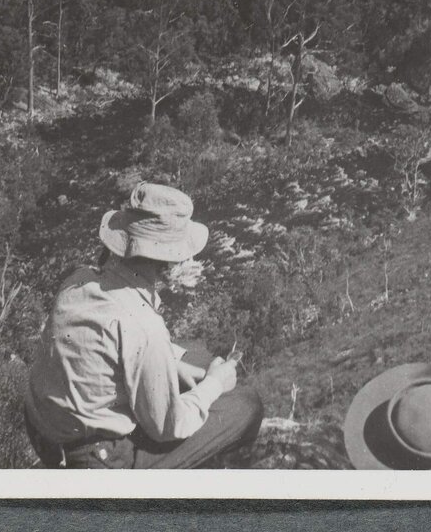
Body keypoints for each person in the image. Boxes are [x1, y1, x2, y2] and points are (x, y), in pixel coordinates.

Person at [24, 182, 264, 469]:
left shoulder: (79, 279)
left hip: (45, 434)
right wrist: (214, 384)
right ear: (172, 258)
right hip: (95, 461)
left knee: (193, 353)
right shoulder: (143, 326)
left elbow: (108, 342)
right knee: (246, 405)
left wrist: (175, 365)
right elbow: (168, 426)